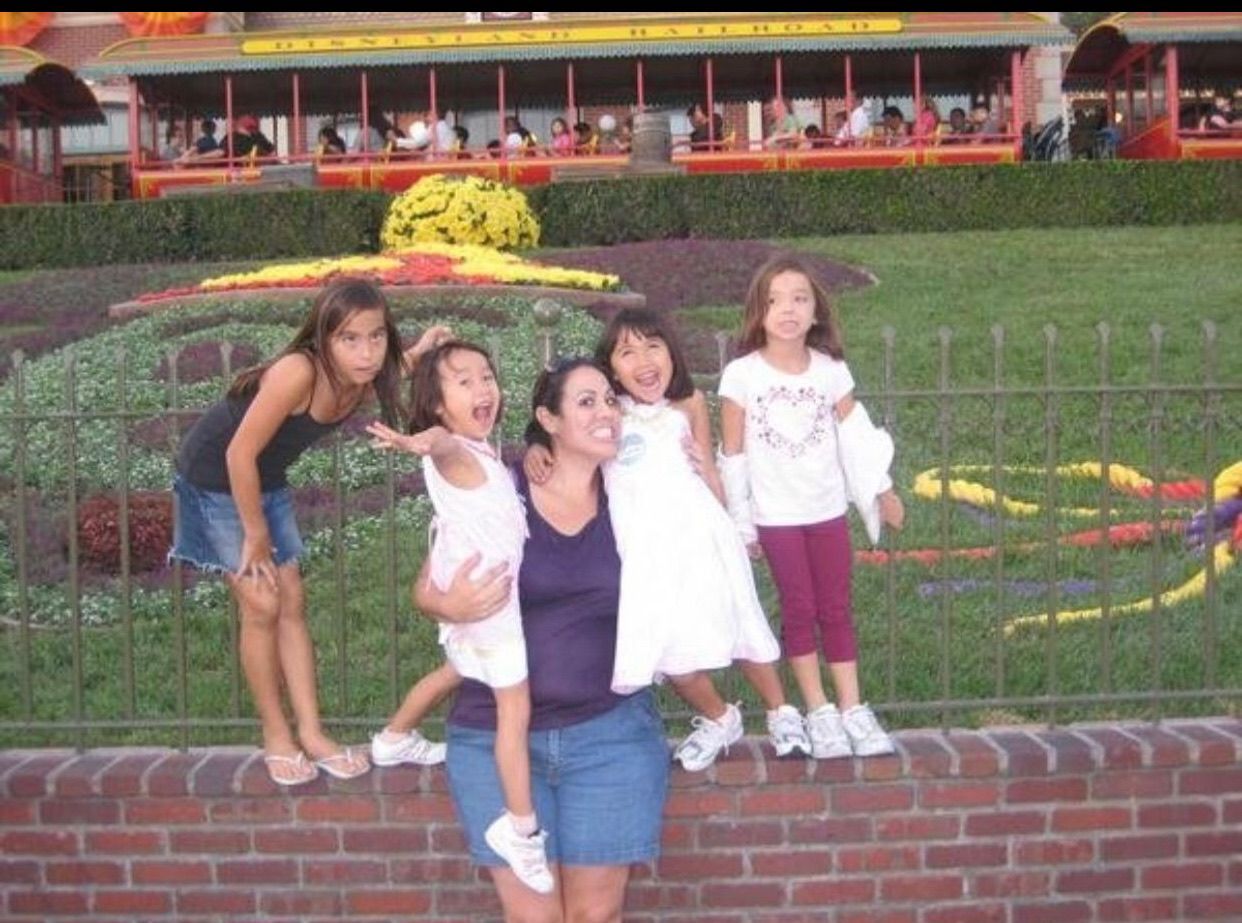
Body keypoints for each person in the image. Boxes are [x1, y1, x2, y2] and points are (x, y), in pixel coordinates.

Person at [169, 278, 449, 786]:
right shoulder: (298, 372)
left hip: (264, 479)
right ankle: (277, 735)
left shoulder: (365, 371)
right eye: (349, 338)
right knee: (263, 605)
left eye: (376, 337)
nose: (366, 352)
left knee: (292, 602)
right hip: (215, 478)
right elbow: (237, 453)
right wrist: (255, 535)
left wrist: (423, 348)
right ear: (323, 339)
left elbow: (394, 366)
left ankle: (314, 733)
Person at [420, 359, 669, 920]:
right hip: (493, 734)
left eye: (610, 400)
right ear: (548, 420)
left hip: (609, 736)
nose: (606, 412)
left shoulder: (633, 495)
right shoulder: (501, 486)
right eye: (586, 401)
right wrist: (445, 604)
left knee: (593, 916)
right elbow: (429, 583)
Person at [527, 310, 808, 770]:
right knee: (671, 653)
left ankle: (782, 712)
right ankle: (720, 718)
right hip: (647, 555)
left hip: (703, 539)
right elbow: (560, 433)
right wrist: (536, 445)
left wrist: (738, 528)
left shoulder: (688, 403)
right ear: (611, 369)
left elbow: (710, 470)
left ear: (671, 353)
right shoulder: (611, 415)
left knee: (742, 631)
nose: (644, 360)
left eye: (653, 346)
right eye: (627, 352)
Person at [365, 341, 551, 895]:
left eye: (486, 376)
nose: (483, 388)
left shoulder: (479, 450)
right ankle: (521, 828)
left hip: (470, 589)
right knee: (514, 709)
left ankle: (394, 737)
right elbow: (439, 444)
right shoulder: (453, 450)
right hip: (489, 603)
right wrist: (419, 441)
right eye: (463, 381)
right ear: (437, 405)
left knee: (457, 668)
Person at [718, 255, 905, 760]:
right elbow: (732, 455)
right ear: (758, 313)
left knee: (836, 606)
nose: (788, 310)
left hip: (825, 511)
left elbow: (857, 434)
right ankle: (818, 708)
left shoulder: (830, 372)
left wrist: (883, 489)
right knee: (799, 608)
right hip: (776, 519)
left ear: (816, 311)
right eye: (774, 300)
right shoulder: (741, 376)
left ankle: (852, 706)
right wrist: (743, 524)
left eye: (799, 299)